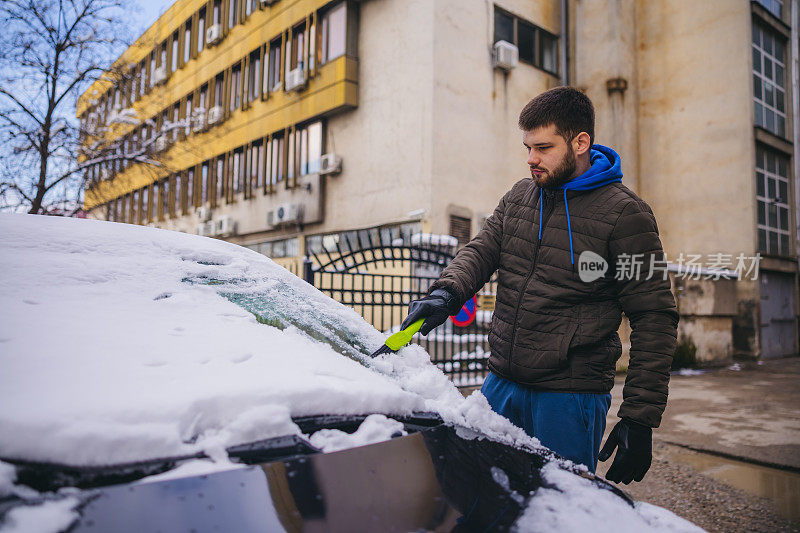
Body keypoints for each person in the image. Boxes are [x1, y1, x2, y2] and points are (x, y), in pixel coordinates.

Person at [401, 86, 678, 484]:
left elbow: (655, 316)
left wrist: (639, 417)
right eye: (527, 147)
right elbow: (481, 250)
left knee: (556, 511)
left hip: (569, 397)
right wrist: (445, 293)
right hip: (501, 384)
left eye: (543, 147)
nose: (531, 158)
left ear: (581, 142)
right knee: (482, 496)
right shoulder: (520, 197)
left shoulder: (625, 214)